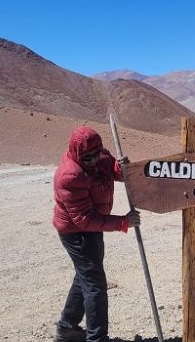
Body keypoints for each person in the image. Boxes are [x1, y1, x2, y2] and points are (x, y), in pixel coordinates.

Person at [52, 126, 140, 342]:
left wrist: (120, 169)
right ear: (77, 153)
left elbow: (110, 169)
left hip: (92, 228)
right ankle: (96, 338)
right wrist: (122, 222)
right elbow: (84, 219)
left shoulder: (99, 154)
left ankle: (67, 328)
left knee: (85, 277)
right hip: (77, 233)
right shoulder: (69, 176)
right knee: (95, 287)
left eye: (96, 155)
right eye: (87, 158)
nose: (93, 160)